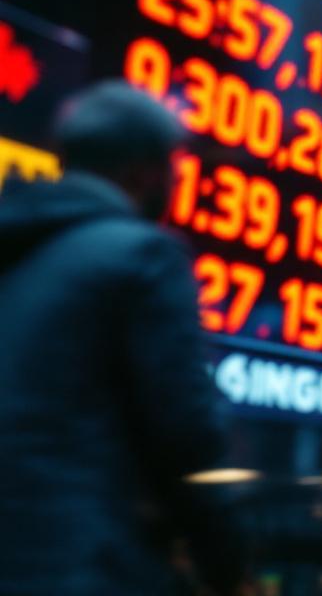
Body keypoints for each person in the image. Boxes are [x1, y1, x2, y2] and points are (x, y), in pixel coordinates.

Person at [0, 83, 242, 594]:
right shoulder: (143, 256)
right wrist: (226, 564)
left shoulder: (16, 249)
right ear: (146, 171)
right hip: (82, 562)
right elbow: (185, 432)